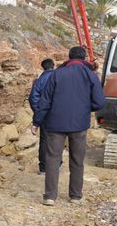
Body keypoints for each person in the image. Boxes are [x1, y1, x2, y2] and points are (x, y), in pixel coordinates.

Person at [32, 46, 106, 206]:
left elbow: (45, 101)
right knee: (77, 160)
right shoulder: (90, 75)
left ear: (69, 57)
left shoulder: (57, 73)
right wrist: (85, 108)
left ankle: (50, 197)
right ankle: (75, 196)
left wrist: (37, 122)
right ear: (84, 58)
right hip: (79, 125)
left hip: (55, 123)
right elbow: (100, 102)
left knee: (52, 158)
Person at [28, 58, 56, 173]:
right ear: (53, 66)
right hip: (57, 114)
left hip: (44, 114)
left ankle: (43, 167)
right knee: (57, 139)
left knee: (44, 140)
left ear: (43, 67)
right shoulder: (58, 77)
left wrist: (38, 111)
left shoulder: (40, 80)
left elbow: (33, 98)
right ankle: (56, 164)